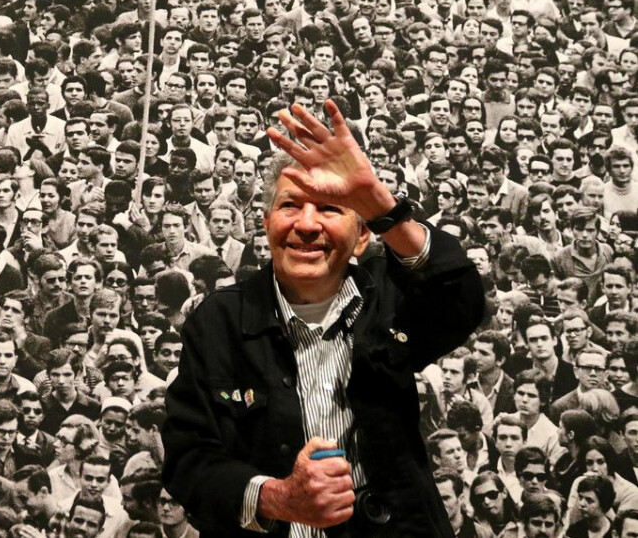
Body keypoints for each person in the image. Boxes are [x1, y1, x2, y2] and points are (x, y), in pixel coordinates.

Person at [163, 101, 485, 534]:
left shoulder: (389, 300)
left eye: (331, 208)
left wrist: (376, 199)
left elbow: (461, 300)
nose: (308, 224)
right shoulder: (217, 320)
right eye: (290, 206)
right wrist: (278, 498)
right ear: (266, 223)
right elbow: (189, 460)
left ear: (362, 234)